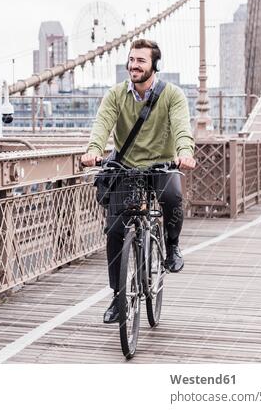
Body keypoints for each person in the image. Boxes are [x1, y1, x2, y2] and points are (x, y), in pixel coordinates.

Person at [80, 38, 196, 324]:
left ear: (154, 65)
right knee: (115, 231)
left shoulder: (172, 95)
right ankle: (119, 299)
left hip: (160, 164)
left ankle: (172, 246)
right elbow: (102, 124)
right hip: (125, 165)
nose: (134, 65)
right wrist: (94, 150)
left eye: (141, 61)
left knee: (172, 197)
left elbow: (182, 127)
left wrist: (185, 152)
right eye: (131, 60)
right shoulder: (116, 95)